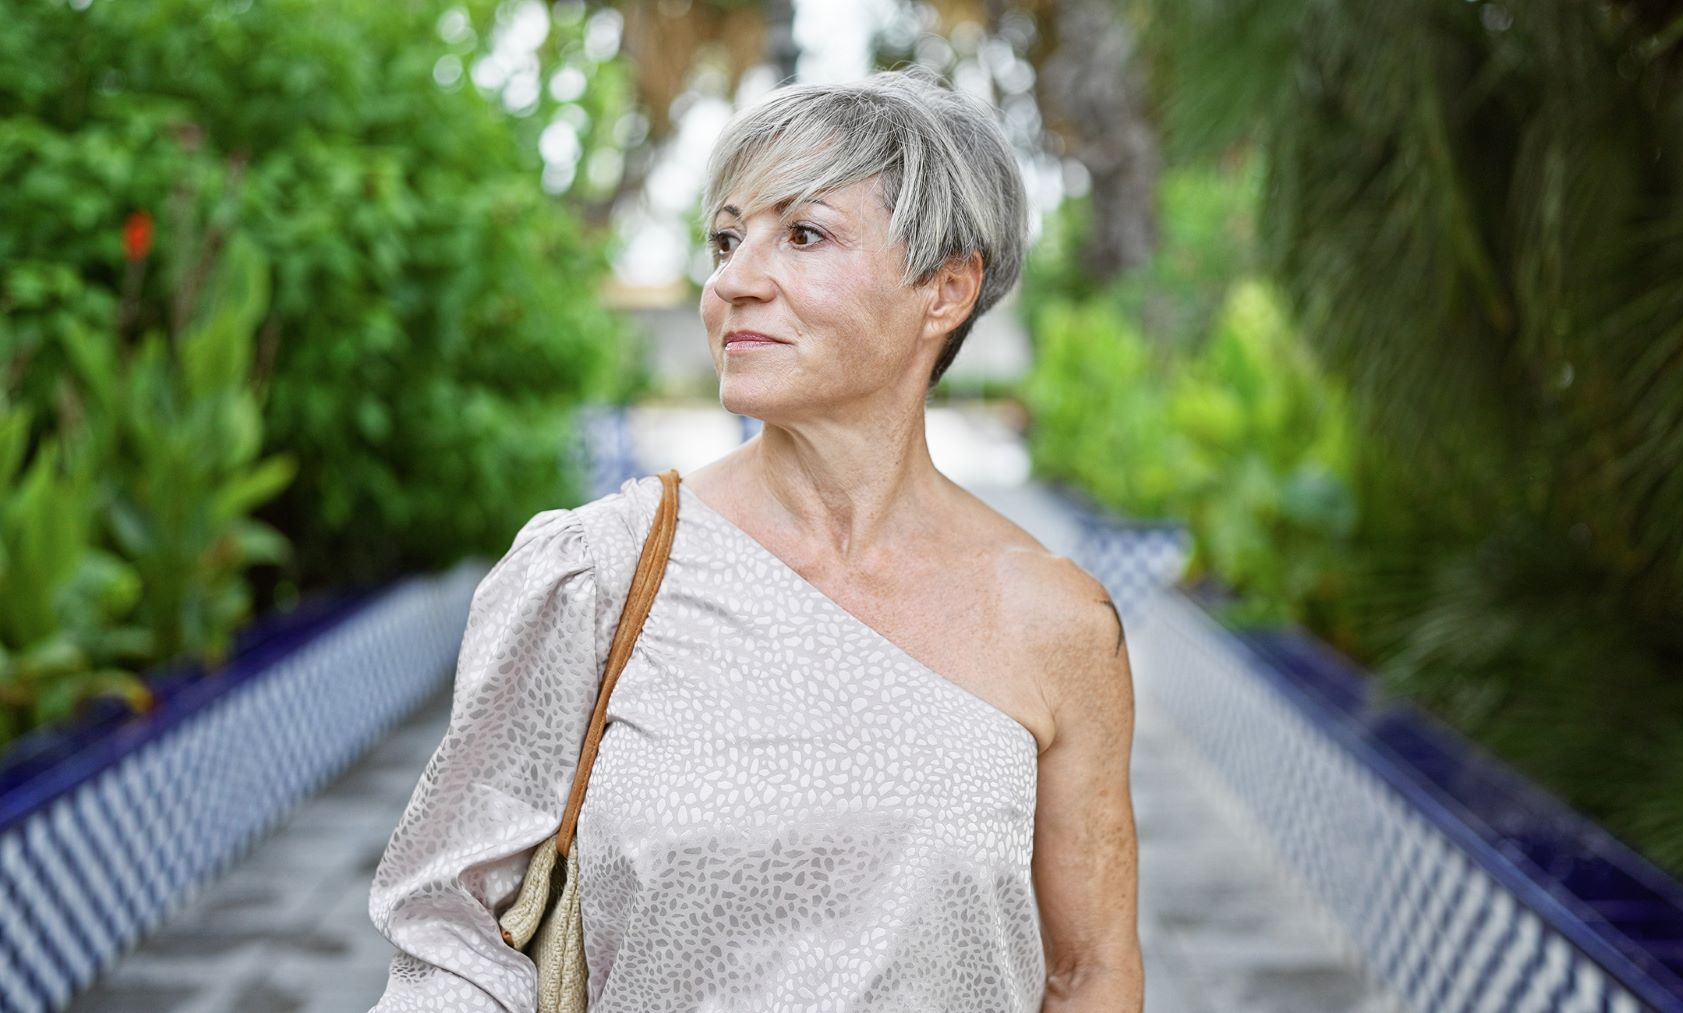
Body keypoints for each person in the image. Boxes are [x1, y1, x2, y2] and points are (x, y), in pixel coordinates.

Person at [367, 65, 1142, 1012]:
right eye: (727, 240)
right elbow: (451, 934)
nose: (733, 281)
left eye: (804, 234)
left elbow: (1089, 972)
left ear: (945, 290)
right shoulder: (600, 572)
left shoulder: (1060, 625)